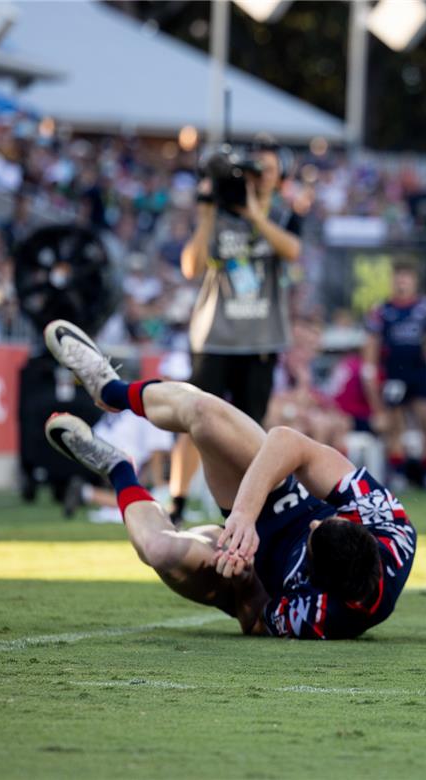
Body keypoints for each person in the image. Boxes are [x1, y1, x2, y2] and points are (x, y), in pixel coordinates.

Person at [42, 319, 415, 639]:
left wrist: (244, 578)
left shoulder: (321, 616)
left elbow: (252, 617)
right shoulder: (390, 527)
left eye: (314, 533)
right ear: (363, 531)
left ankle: (117, 469)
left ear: (316, 580)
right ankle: (112, 390)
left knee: (160, 551)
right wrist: (245, 514)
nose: (316, 521)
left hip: (257, 569)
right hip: (281, 497)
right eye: (328, 519)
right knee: (204, 412)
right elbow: (288, 442)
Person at [171, 134, 304, 524]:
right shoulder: (220, 213)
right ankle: (177, 503)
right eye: (252, 169)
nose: (258, 177)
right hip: (214, 337)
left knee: (249, 433)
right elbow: (191, 266)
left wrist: (255, 215)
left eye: (267, 170)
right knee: (192, 420)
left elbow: (293, 251)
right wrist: (209, 210)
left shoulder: (284, 215)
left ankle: (243, 512)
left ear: (280, 177)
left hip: (261, 340)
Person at [364, 264, 426, 487]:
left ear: (414, 281)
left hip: (418, 371)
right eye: (399, 278)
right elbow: (372, 343)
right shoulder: (383, 309)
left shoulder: (425, 307)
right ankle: (399, 474)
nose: (402, 282)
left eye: (407, 277)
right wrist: (371, 370)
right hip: (394, 372)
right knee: (395, 425)